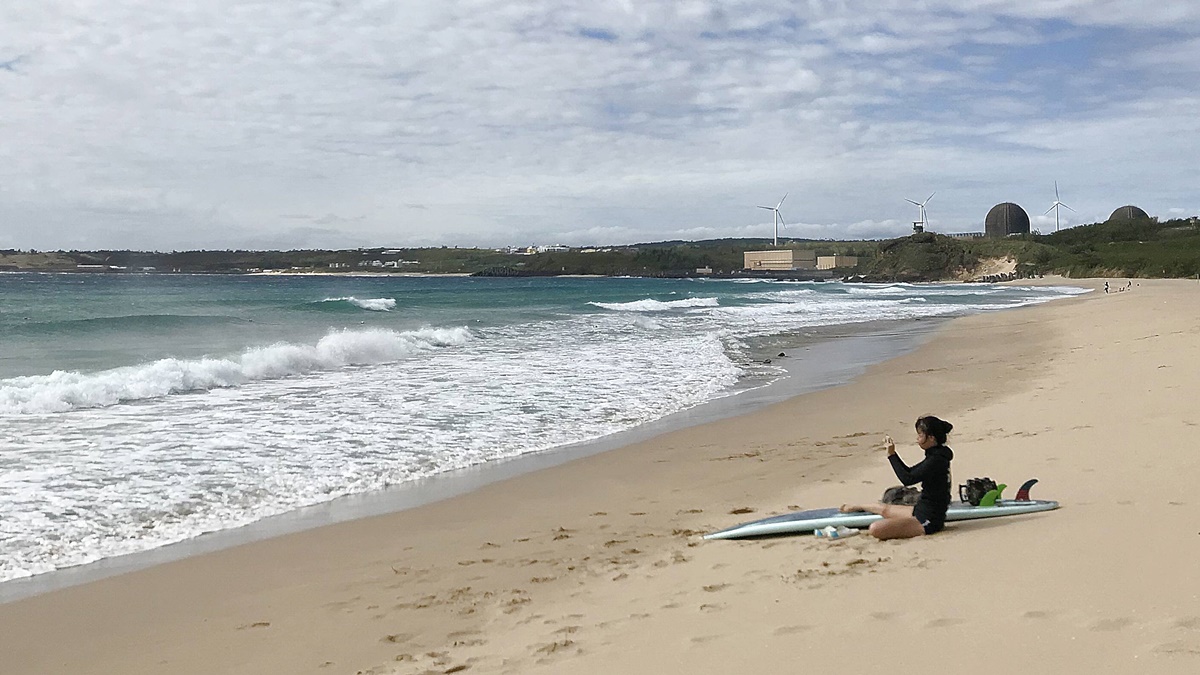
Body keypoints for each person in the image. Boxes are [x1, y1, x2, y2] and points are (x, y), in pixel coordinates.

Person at [839, 416, 955, 540]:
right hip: (921, 509)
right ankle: (857, 506)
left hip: (928, 520)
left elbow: (907, 479)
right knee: (884, 509)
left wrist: (891, 455)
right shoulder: (937, 455)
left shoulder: (936, 460)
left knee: (875, 529)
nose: (917, 439)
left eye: (920, 435)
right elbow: (910, 472)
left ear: (931, 438)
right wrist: (892, 453)